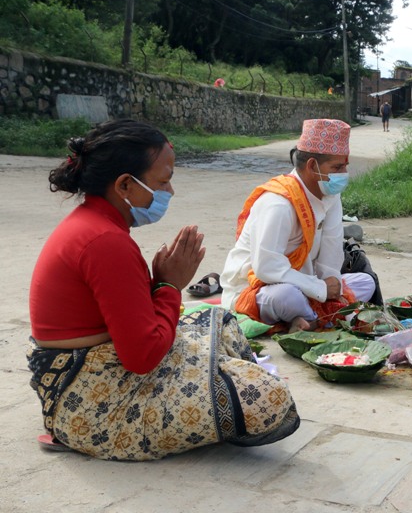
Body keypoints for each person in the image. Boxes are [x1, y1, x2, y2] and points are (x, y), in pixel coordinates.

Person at [27, 120, 300, 460]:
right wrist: (170, 286)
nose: (170, 192)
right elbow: (142, 357)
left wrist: (160, 287)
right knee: (267, 398)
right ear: (125, 184)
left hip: (89, 368)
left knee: (221, 323)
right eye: (163, 181)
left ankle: (217, 388)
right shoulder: (105, 242)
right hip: (91, 397)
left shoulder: (97, 226)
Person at [220, 119, 375, 332]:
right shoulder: (279, 203)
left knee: (366, 282)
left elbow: (331, 249)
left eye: (345, 166)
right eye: (338, 167)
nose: (344, 173)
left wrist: (331, 283)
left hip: (309, 286)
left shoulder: (331, 196)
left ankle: (307, 319)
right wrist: (320, 288)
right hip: (259, 288)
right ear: (312, 166)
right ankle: (315, 318)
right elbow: (267, 267)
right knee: (287, 297)